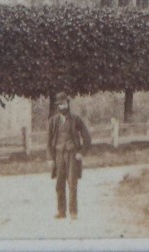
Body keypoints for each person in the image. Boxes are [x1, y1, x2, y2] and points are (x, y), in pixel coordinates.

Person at [47, 92, 91, 220]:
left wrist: (81, 153)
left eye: (64, 103)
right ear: (57, 106)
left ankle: (73, 212)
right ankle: (61, 212)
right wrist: (50, 158)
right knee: (59, 184)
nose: (62, 106)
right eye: (60, 104)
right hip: (58, 155)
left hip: (72, 155)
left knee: (72, 183)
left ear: (68, 104)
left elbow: (87, 138)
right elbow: (48, 142)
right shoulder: (53, 122)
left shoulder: (76, 120)